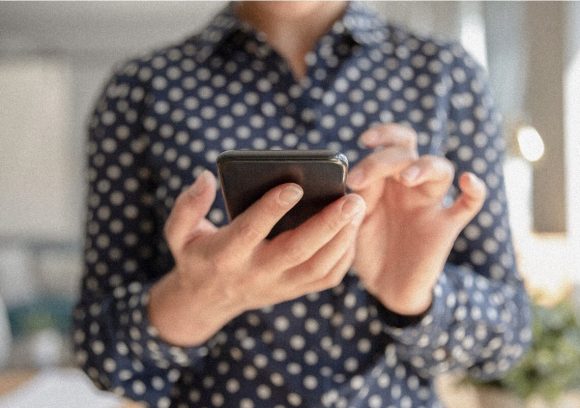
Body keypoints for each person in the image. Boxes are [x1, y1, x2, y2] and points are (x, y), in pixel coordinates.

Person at [73, 1, 531, 407]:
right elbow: (100, 352)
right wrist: (195, 301)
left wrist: (413, 297)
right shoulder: (140, 91)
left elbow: (507, 339)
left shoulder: (446, 76)